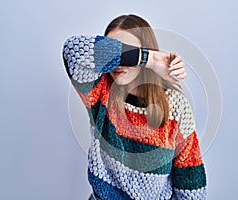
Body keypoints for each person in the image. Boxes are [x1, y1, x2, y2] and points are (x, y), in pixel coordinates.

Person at [62, 14, 207, 200]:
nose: (119, 62)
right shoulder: (99, 91)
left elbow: (190, 177)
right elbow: (73, 49)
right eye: (114, 54)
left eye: (127, 53)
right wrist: (149, 58)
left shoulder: (176, 105)